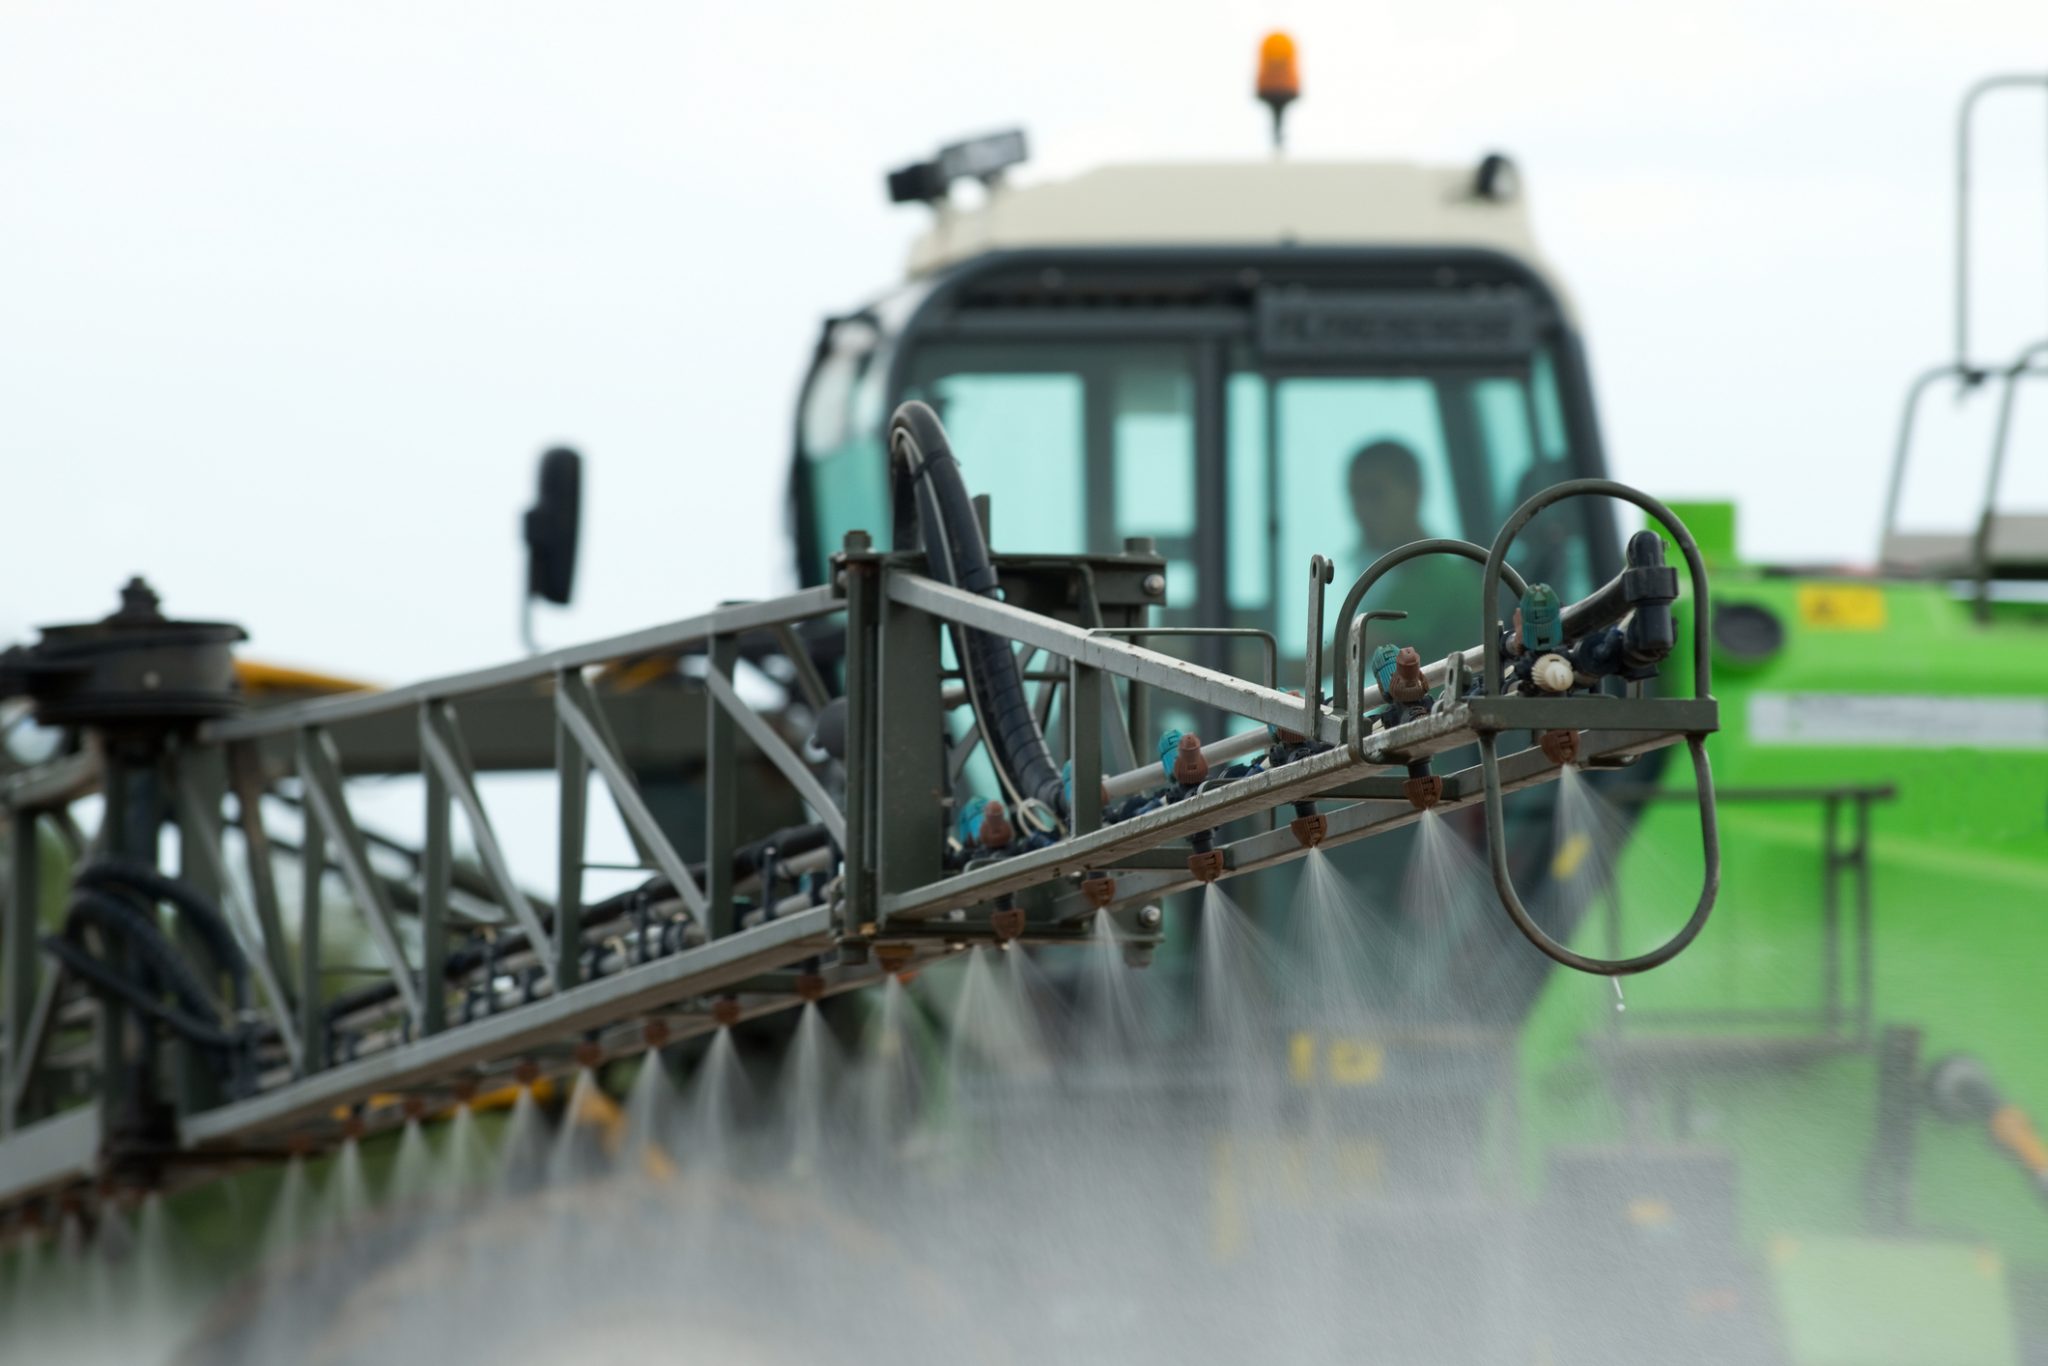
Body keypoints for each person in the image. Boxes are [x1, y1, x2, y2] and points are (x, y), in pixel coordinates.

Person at [1345, 440, 1471, 663]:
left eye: (1375, 494)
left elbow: (1336, 660)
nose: (1362, 510)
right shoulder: (1407, 576)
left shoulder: (1434, 580)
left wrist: (1264, 659)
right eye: (1355, 496)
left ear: (1415, 492)